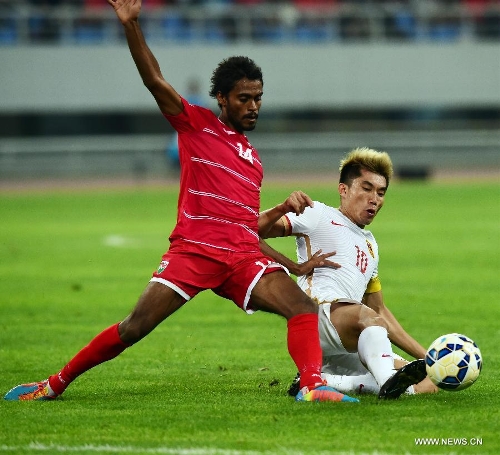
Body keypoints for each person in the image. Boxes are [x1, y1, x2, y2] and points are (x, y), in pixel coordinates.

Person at [4, 0, 359, 404]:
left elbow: (245, 230)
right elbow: (154, 81)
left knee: (302, 308)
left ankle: (312, 387)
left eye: (258, 98)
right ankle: (53, 385)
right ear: (221, 98)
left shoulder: (253, 160)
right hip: (194, 251)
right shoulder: (195, 124)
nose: (253, 106)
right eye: (243, 98)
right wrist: (132, 25)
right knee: (134, 327)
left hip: (241, 259)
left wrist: (291, 261)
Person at [259, 147, 439, 399]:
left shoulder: (371, 245)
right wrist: (292, 261)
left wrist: (430, 360)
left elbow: (379, 311)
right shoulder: (318, 214)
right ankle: (387, 382)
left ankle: (330, 380)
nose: (374, 199)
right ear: (343, 190)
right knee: (368, 320)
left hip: (350, 337)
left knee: (429, 382)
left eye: (381, 193)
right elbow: (250, 229)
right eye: (366, 188)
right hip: (318, 318)